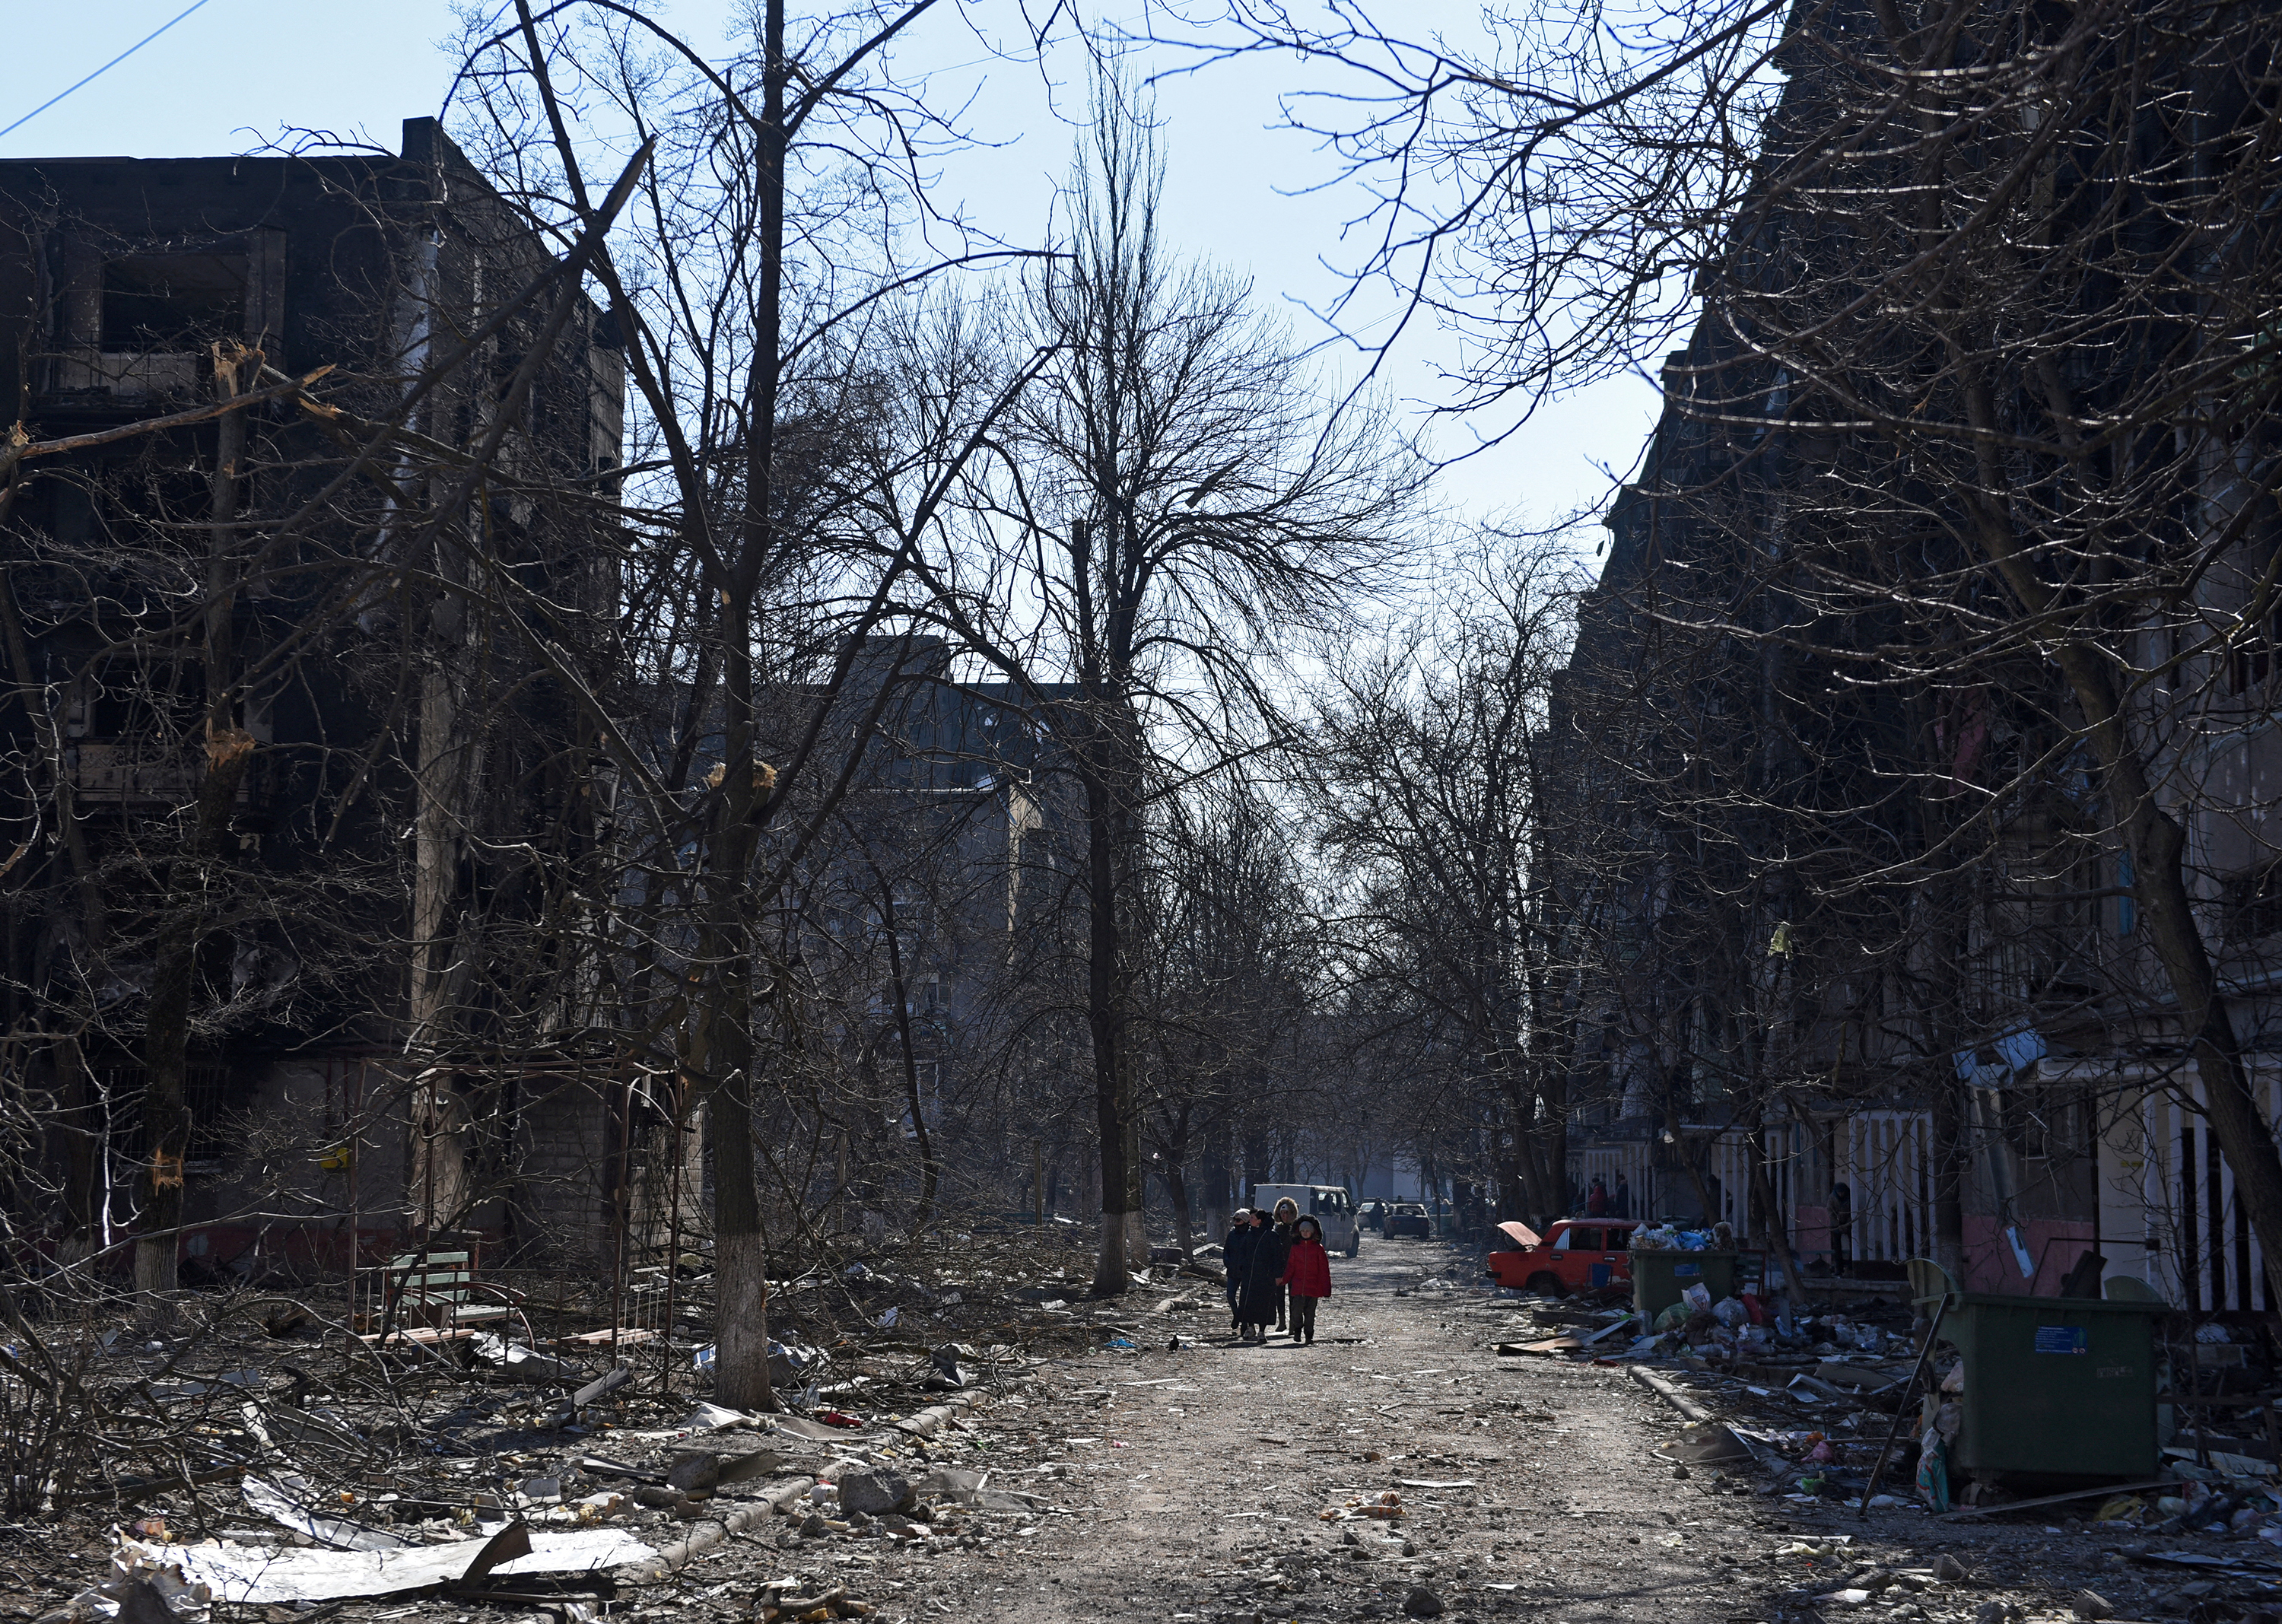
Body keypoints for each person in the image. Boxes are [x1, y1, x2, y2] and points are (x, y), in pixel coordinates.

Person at [1236, 1206, 1289, 1343]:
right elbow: (1242, 1252)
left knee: (1264, 1304)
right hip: (1250, 1276)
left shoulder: (1271, 1235)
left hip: (1265, 1277)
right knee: (1248, 1302)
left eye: (1252, 1218)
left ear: (1259, 1221)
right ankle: (1250, 1327)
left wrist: (1278, 1275)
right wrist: (1242, 1265)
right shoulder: (1249, 1234)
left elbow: (1278, 1257)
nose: (1250, 1220)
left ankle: (1261, 1331)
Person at [1281, 1215, 1333, 1343]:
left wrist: (1326, 1289)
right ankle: (1297, 1329)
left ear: (1313, 1232)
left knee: (1310, 1314)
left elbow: (1324, 1271)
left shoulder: (1318, 1249)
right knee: (1296, 1311)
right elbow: (1291, 1267)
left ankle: (1309, 1335)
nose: (1305, 1233)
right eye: (1303, 1231)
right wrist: (1284, 1280)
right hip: (1298, 1286)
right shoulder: (1295, 1248)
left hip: (1313, 1288)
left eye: (1307, 1231)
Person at [1269, 1197, 1300, 1331]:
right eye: (1282, 1213)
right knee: (1279, 1295)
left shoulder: (1297, 1230)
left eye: (1287, 1213)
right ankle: (1282, 1321)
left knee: (1294, 1295)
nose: (1285, 1216)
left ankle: (1294, 1322)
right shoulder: (1278, 1230)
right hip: (1280, 1267)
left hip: (1294, 1267)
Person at [1222, 1208, 1256, 1332]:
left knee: (1245, 1299)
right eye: (1235, 1220)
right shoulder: (1232, 1234)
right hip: (1232, 1271)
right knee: (1230, 1296)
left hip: (1246, 1272)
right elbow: (1226, 1250)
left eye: (1239, 1220)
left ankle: (1245, 1323)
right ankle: (1237, 1316)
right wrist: (1228, 1262)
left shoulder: (1251, 1235)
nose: (1236, 1222)